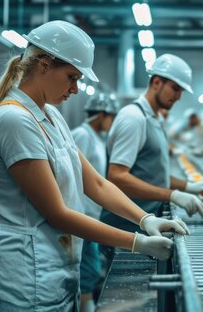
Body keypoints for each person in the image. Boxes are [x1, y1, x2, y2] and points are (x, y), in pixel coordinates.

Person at [0, 20, 188, 312]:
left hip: (57, 268)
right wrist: (137, 242)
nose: (76, 89)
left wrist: (144, 219)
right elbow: (58, 214)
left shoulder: (51, 116)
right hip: (25, 275)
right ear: (43, 65)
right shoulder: (15, 120)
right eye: (71, 77)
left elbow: (97, 183)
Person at [101, 54, 203, 236]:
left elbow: (153, 173)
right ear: (157, 82)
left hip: (146, 221)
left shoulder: (155, 118)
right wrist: (172, 194)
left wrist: (187, 186)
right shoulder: (134, 118)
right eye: (175, 88)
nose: (178, 96)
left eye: (181, 91)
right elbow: (117, 177)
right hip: (127, 228)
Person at [70, 92, 118, 311]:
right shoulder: (82, 134)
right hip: (81, 216)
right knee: (88, 271)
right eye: (111, 116)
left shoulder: (95, 137)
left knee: (89, 270)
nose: (113, 122)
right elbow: (70, 176)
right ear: (101, 114)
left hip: (92, 215)